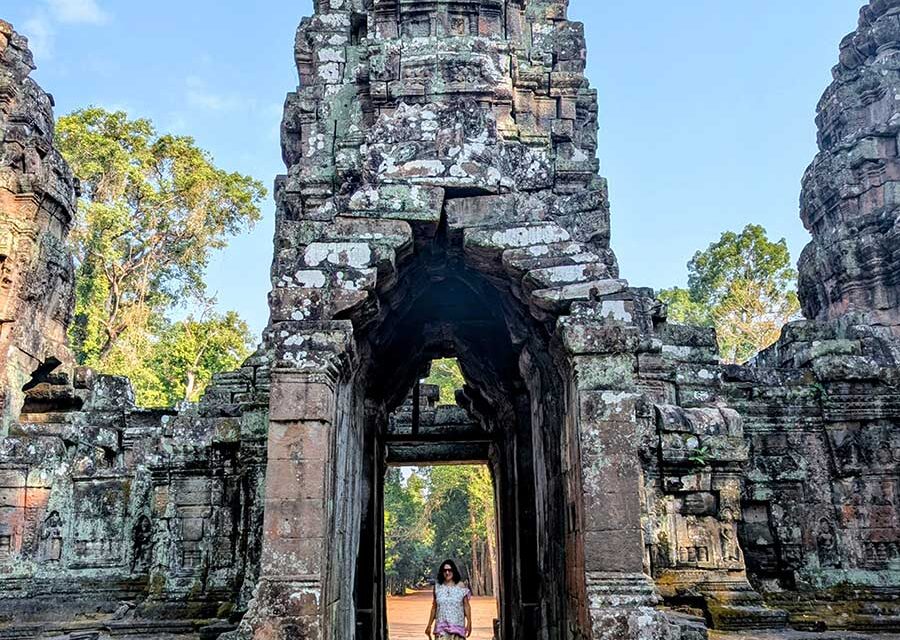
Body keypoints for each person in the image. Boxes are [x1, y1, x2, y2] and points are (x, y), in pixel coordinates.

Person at [425, 559, 472, 639]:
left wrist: (469, 623)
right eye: (445, 570)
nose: (447, 573)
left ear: (454, 571)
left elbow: (466, 606)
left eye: (449, 570)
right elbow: (434, 607)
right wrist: (429, 625)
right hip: (441, 629)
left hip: (457, 628)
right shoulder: (438, 587)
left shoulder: (461, 586)